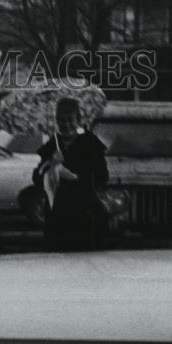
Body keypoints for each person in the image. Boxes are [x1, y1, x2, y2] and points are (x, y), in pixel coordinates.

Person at [34, 97, 109, 251]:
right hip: (58, 219)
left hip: (85, 217)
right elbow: (36, 178)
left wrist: (77, 176)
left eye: (70, 119)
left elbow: (103, 177)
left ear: (79, 120)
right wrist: (52, 164)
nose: (66, 124)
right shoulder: (52, 145)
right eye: (61, 120)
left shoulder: (90, 143)